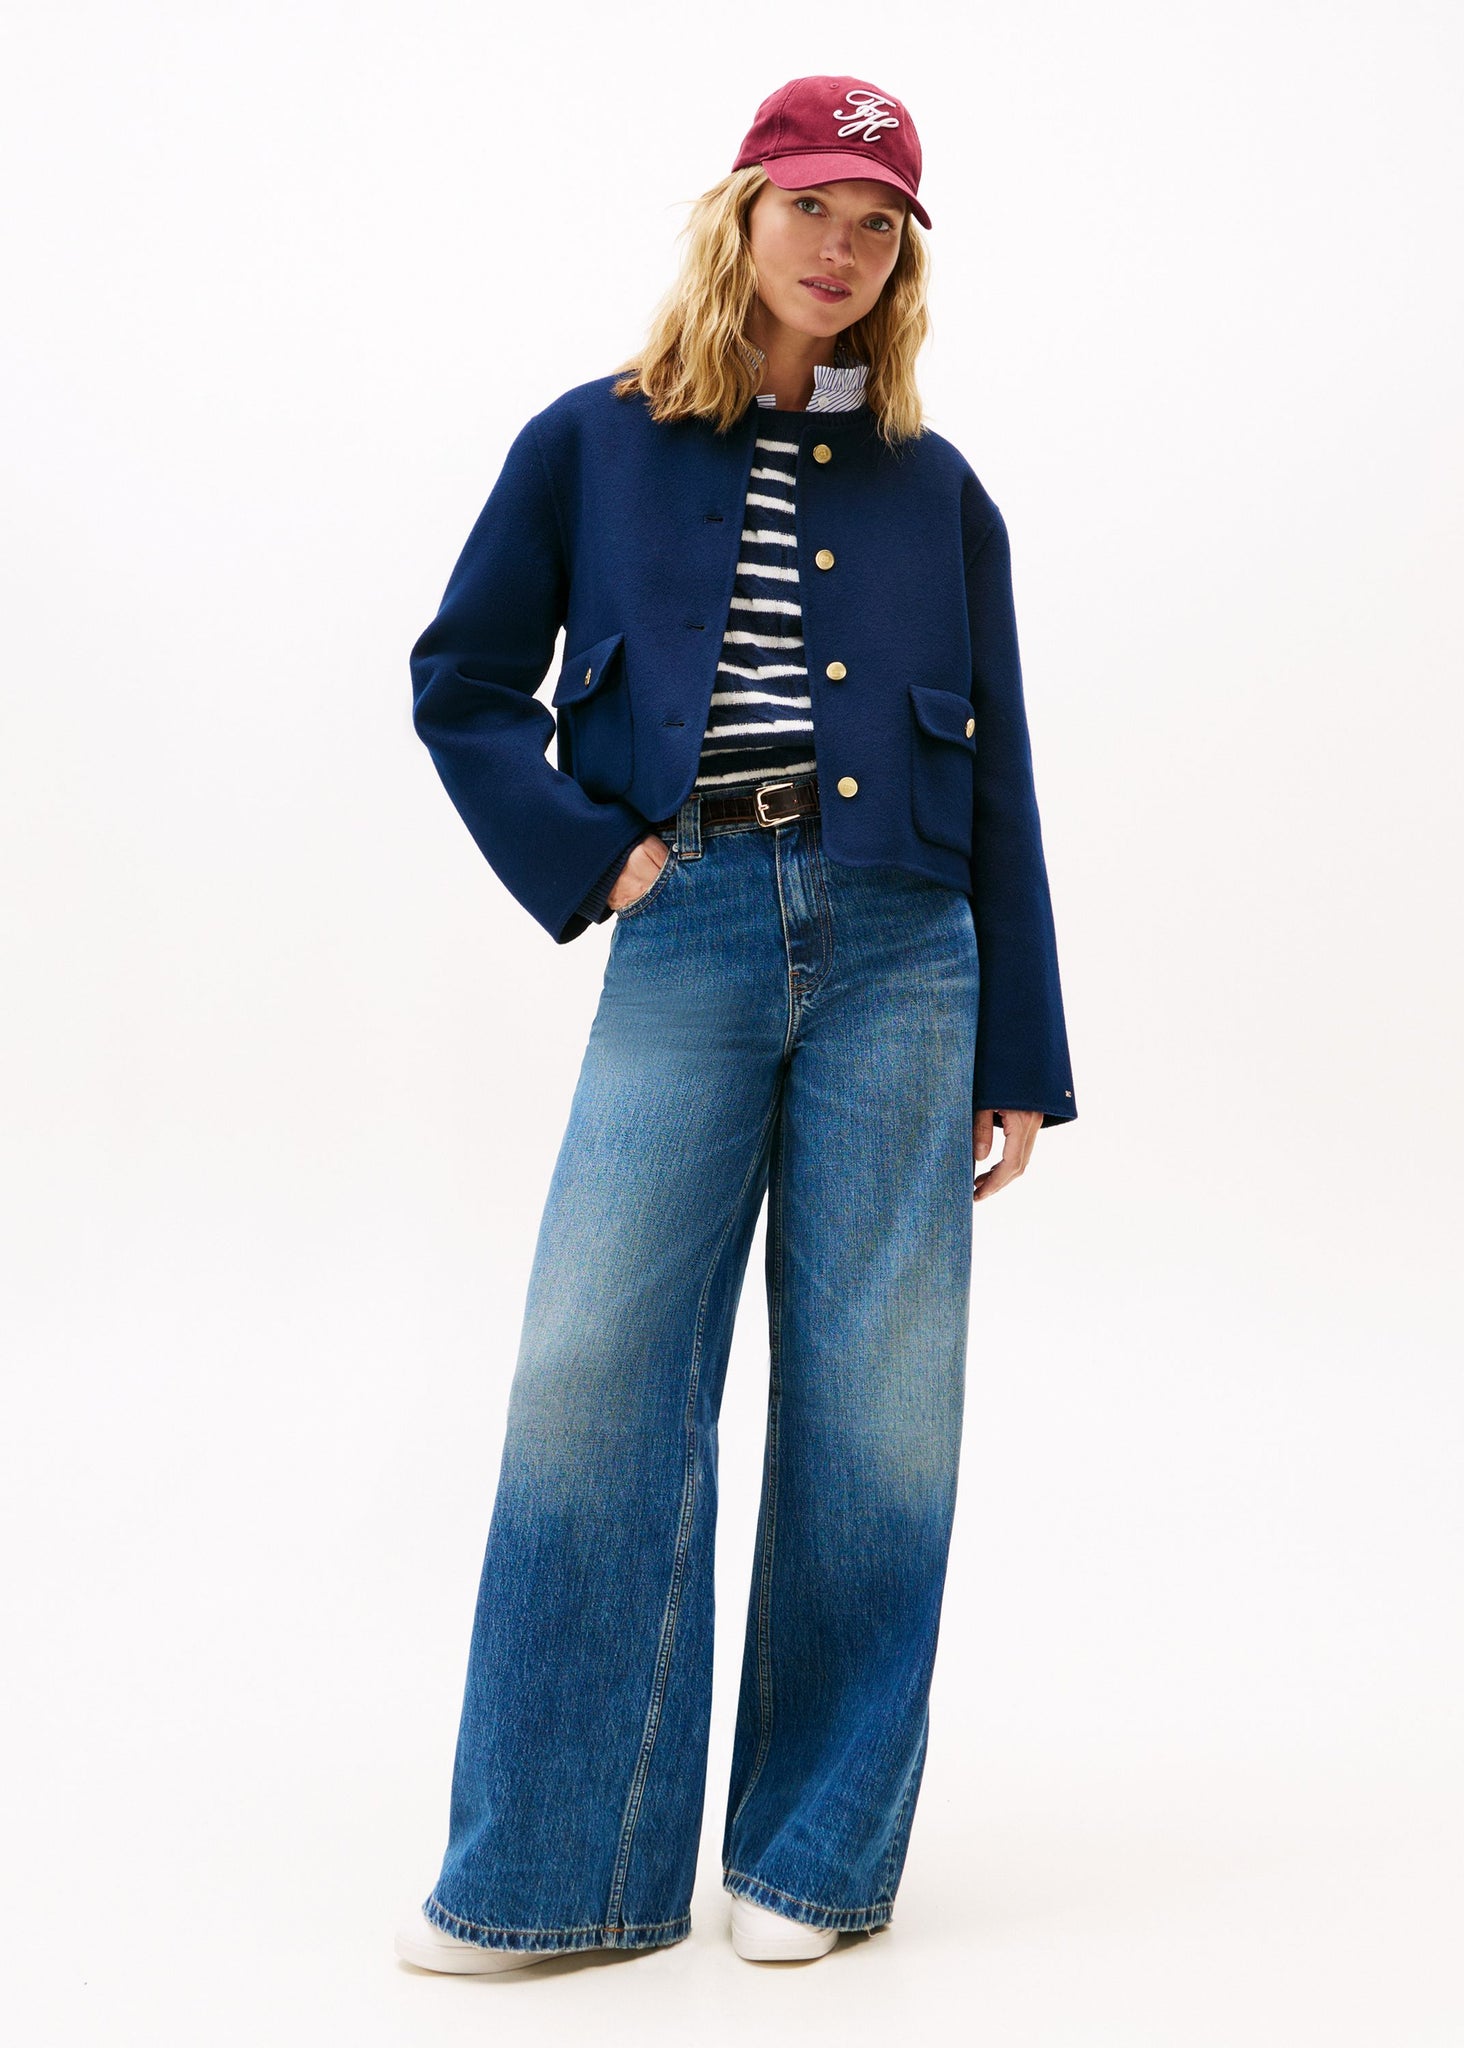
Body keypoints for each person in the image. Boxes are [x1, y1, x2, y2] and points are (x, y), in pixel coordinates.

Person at [394, 72, 1076, 1973]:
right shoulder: (591, 441)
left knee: (880, 1406)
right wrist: (591, 854)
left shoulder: (941, 491)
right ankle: (556, 1871)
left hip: (907, 955)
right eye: (812, 208)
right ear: (741, 212)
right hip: (685, 925)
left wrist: (1022, 1052)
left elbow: (1002, 777)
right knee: (593, 1376)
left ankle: (814, 1860)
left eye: (878, 225)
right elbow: (461, 679)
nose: (839, 249)